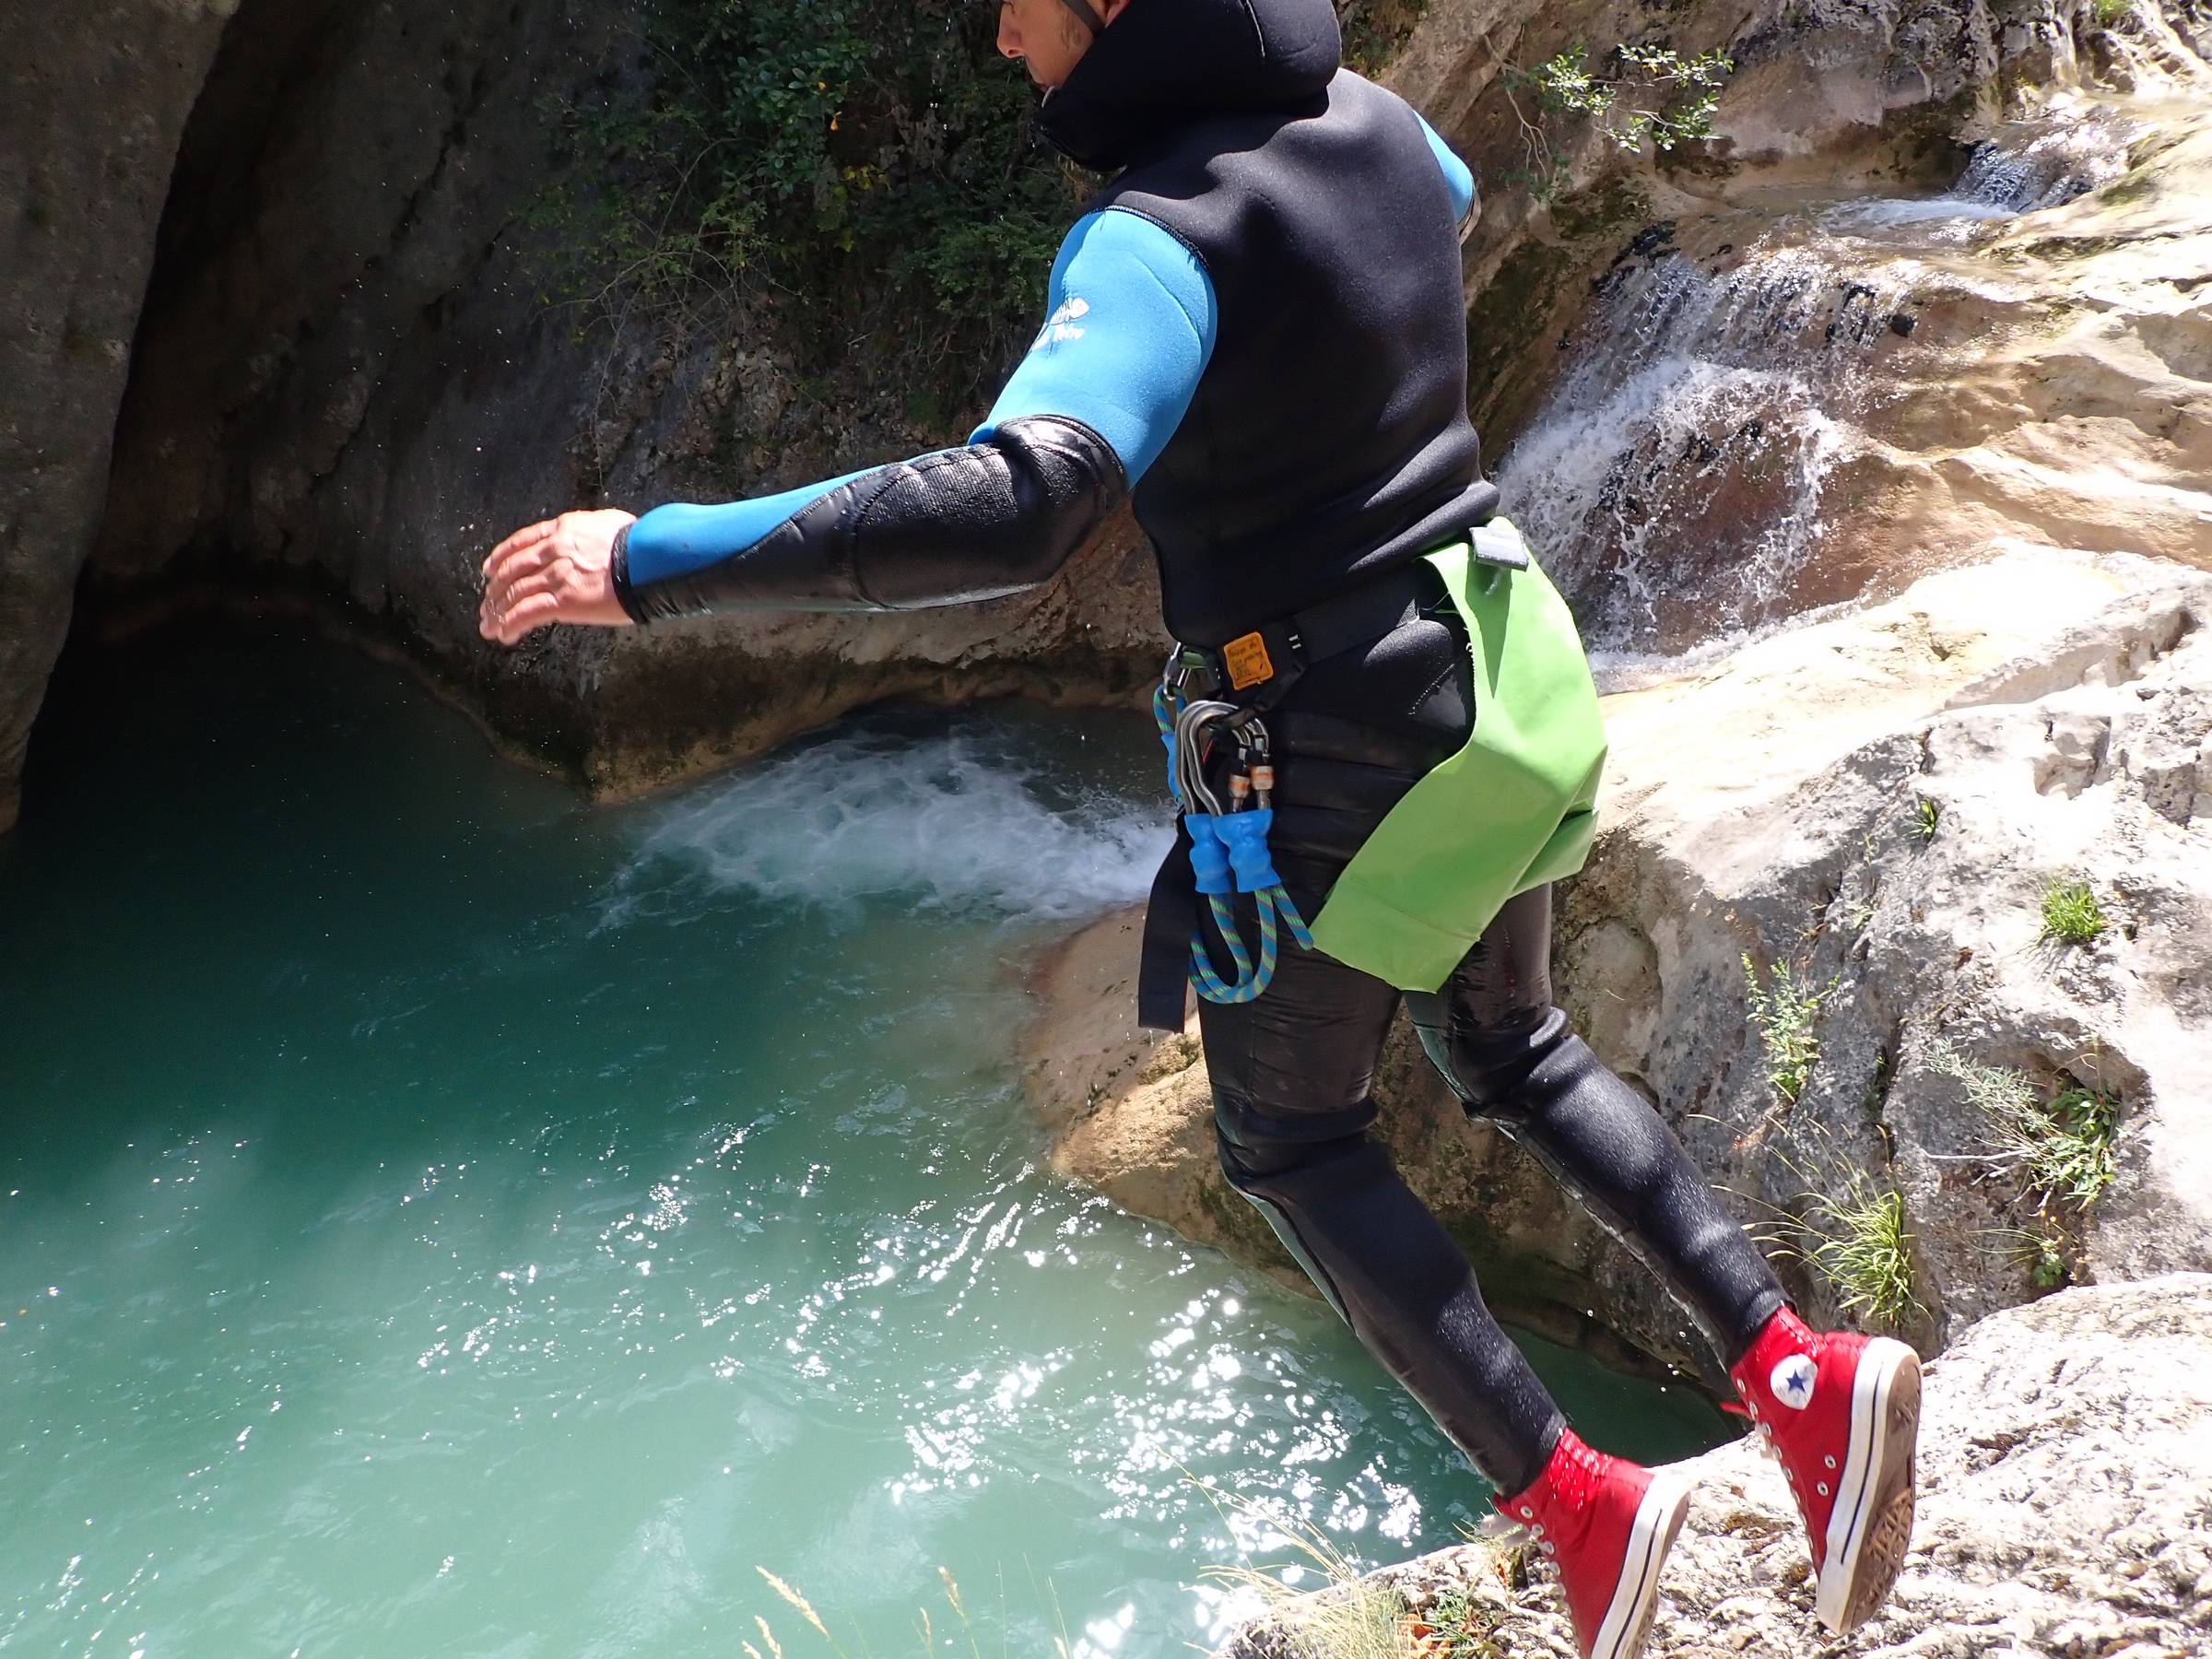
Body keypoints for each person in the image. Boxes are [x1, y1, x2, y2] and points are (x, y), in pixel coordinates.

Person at [477, 2, 1923, 1654]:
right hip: (1500, 654)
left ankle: (1588, 1508)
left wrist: (649, 558)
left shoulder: (1158, 234)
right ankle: (1799, 1374)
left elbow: (1026, 499)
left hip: (1347, 720)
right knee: (1511, 1048)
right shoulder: (1379, 126)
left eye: (1022, 0)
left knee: (1293, 1143)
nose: (1000, 35)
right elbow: (1444, 202)